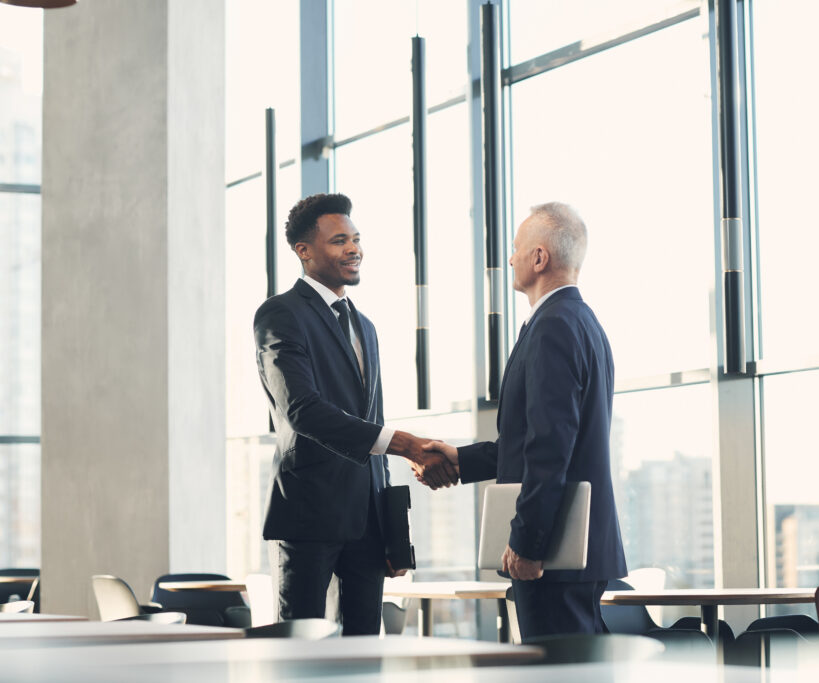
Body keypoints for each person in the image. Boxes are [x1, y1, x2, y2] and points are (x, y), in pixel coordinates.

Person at [254, 192, 457, 634]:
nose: (353, 249)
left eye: (356, 239)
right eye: (338, 240)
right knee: (300, 652)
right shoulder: (280, 315)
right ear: (303, 251)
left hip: (367, 521)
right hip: (308, 516)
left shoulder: (365, 325)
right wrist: (406, 444)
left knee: (365, 650)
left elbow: (370, 416)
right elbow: (303, 411)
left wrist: (389, 530)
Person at [426, 202, 627, 641]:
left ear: (540, 258)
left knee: (560, 672)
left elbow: (549, 448)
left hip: (555, 553)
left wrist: (528, 542)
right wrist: (460, 459)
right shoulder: (582, 322)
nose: (511, 259)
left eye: (517, 249)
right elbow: (536, 442)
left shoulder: (553, 326)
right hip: (575, 550)